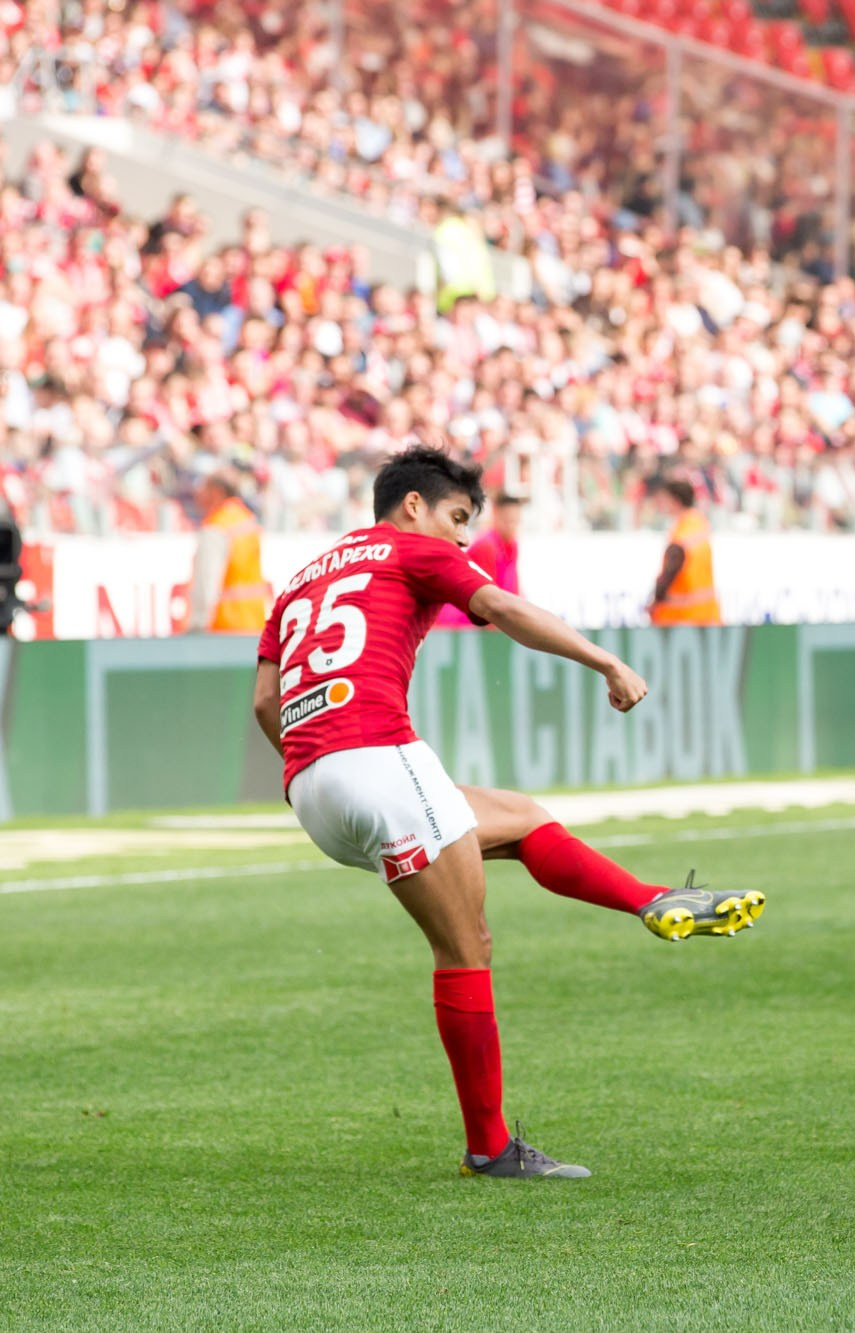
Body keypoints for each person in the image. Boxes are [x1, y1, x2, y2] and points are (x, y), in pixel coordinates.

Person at [252, 448, 765, 1181]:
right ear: (413, 507)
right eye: (458, 518)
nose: (463, 539)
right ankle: (490, 1147)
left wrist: (315, 768)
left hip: (310, 785)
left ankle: (651, 899)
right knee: (468, 946)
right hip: (378, 754)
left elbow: (266, 703)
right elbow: (501, 607)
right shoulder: (414, 550)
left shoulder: (303, 577)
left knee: (518, 817)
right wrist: (605, 661)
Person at [185, 472, 270, 634]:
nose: (198, 495)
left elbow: (206, 584)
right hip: (252, 623)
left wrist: (198, 626)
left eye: (203, 489)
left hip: (223, 627)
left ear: (216, 492)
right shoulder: (245, 519)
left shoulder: (217, 527)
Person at [438, 493, 523, 629]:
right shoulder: (486, 546)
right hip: (462, 625)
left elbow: (515, 590)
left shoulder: (513, 546)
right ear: (496, 515)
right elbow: (487, 604)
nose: (511, 526)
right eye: (507, 520)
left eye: (515, 521)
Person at [650, 477, 722, 627]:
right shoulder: (699, 522)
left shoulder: (682, 532)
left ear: (675, 501)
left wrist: (656, 599)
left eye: (665, 500)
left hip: (681, 617)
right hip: (708, 614)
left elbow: (671, 570)